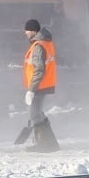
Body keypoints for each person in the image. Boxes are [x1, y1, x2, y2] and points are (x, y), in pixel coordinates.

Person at [22, 18, 59, 152]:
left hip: (39, 86)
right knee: (37, 113)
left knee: (35, 114)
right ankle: (50, 143)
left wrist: (31, 90)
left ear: (33, 31)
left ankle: (45, 144)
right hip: (43, 84)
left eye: (27, 30)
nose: (25, 33)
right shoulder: (44, 43)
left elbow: (38, 70)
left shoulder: (38, 46)